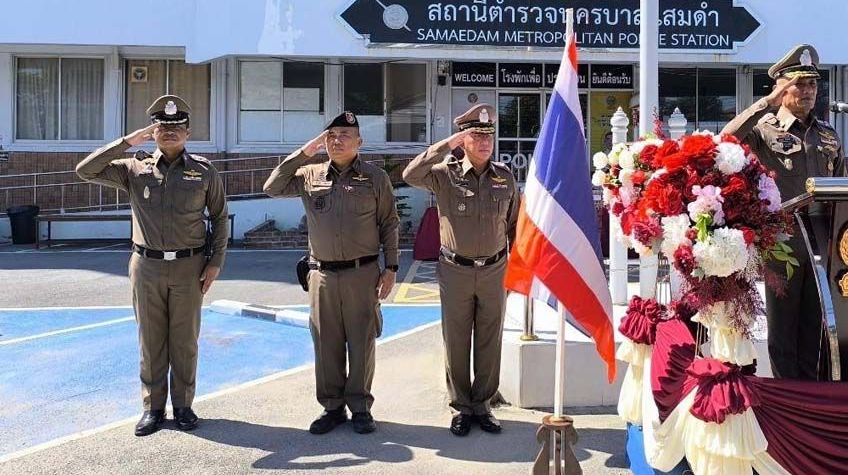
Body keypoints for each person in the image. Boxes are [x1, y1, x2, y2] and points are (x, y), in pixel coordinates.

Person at [75, 95, 229, 436]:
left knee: (185, 341)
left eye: (176, 127)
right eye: (162, 127)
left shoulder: (203, 171)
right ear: (153, 131)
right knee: (151, 340)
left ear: (188, 132)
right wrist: (128, 142)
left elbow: (219, 218)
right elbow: (85, 170)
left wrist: (215, 262)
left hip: (190, 266)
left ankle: (184, 405)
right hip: (146, 266)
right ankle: (153, 407)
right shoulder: (134, 168)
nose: (169, 132)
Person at [262, 111, 399, 436]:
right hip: (321, 275)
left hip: (362, 273)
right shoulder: (309, 174)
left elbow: (389, 223)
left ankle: (361, 407)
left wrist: (391, 267)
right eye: (331, 135)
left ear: (359, 142)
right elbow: (272, 186)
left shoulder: (375, 178)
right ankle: (332, 407)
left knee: (362, 341)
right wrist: (303, 152)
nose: (337, 141)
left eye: (345, 135)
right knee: (326, 343)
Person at [721, 44, 844, 380]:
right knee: (784, 325)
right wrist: (765, 104)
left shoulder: (828, 134)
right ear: (780, 87)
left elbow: (842, 186)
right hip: (783, 238)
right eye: (798, 84)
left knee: (817, 324)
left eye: (812, 85)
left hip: (822, 239)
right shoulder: (764, 128)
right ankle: (788, 395)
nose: (807, 91)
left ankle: (811, 395)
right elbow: (726, 140)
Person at [402, 104, 520, 437]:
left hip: (495, 269)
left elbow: (513, 225)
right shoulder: (444, 173)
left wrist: (517, 270)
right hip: (455, 270)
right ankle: (461, 407)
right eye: (475, 135)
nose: (484, 142)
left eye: (488, 136)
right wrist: (445, 145)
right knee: (456, 340)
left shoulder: (505, 176)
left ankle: (483, 404)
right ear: (463, 139)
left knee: (489, 339)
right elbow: (410, 175)